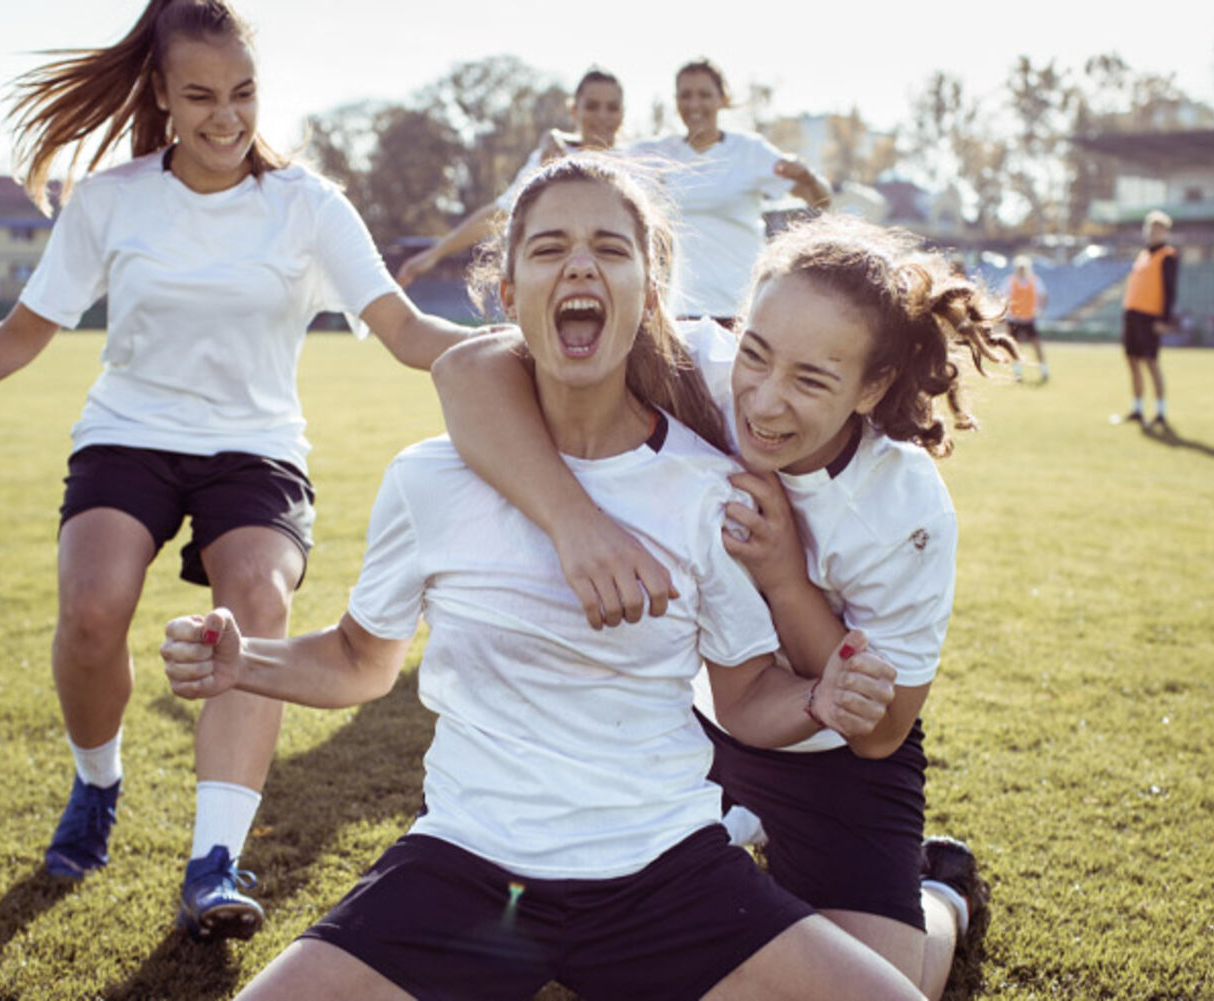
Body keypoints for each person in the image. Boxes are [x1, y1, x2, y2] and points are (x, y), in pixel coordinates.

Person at [161, 156, 926, 1000]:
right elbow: (358, 658)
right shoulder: (428, 480)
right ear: (507, 288)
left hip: (665, 870)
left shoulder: (713, 490)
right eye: (549, 247)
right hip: (464, 866)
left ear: (651, 285)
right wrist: (244, 663)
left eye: (610, 246)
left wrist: (817, 701)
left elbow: (743, 698)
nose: (580, 266)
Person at [0, 0, 471, 942]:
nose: (226, 117)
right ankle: (98, 780)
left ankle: (214, 859)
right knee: (93, 610)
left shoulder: (309, 205)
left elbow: (401, 327)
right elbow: (25, 332)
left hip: (257, 447)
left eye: (242, 94)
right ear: (161, 93)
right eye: (200, 95)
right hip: (130, 433)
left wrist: (497, 350)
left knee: (253, 606)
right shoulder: (113, 199)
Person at [431, 214, 1014, 998]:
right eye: (757, 352)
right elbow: (468, 370)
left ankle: (941, 894)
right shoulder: (696, 369)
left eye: (811, 380)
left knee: (887, 983)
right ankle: (730, 826)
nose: (764, 402)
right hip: (691, 721)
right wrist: (576, 523)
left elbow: (879, 731)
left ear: (871, 388)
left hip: (831, 762)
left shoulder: (904, 507)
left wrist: (783, 578)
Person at [630, 58, 832, 325]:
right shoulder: (660, 152)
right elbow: (598, 154)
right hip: (679, 309)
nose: (694, 105)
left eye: (704, 95)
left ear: (722, 99)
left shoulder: (749, 151)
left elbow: (821, 200)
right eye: (685, 95)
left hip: (742, 306)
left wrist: (807, 176)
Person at [393, 68, 626, 287]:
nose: (602, 116)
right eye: (592, 106)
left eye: (612, 107)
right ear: (574, 110)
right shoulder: (550, 158)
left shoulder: (638, 159)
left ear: (623, 112)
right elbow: (502, 213)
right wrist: (434, 254)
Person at [1120, 210, 1178, 428]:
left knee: (1151, 363)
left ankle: (1160, 412)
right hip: (1132, 314)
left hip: (1150, 317)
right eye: (1149, 228)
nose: (1152, 233)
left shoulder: (1168, 256)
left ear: (1165, 232)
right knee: (1132, 361)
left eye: (1156, 229)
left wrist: (1165, 319)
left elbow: (1170, 289)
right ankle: (1137, 408)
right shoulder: (1143, 255)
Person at [1005, 255, 1048, 384]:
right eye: (1019, 268)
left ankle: (1044, 371)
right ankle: (1017, 374)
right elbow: (1003, 297)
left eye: (1023, 268)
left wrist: (1040, 310)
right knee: (1015, 348)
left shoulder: (1035, 281)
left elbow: (1043, 296)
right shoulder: (1010, 281)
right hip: (1014, 320)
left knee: (1037, 346)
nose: (1021, 271)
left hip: (1029, 319)